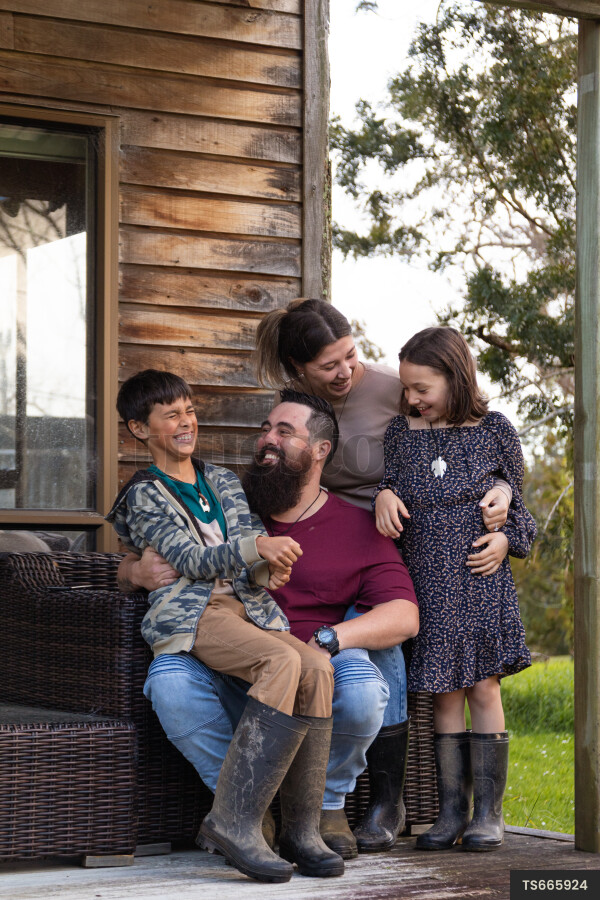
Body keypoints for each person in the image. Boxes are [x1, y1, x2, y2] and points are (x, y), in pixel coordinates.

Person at [252, 297, 512, 851]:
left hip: (395, 548)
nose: (346, 371)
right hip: (331, 546)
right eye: (329, 366)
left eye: (350, 355)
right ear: (302, 371)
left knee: (388, 643)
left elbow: (464, 443)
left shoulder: (397, 389)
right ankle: (346, 803)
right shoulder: (294, 410)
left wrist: (504, 499)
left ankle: (387, 802)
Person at [121, 389, 419, 860]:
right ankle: (245, 809)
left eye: (284, 432)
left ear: (320, 451)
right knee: (169, 683)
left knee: (357, 685)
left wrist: (330, 639)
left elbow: (404, 615)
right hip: (222, 657)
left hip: (307, 653)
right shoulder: (228, 500)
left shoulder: (356, 526)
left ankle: (320, 808)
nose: (267, 440)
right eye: (265, 428)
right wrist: (132, 572)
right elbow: (155, 548)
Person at [106, 369, 342, 884]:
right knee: (280, 659)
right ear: (139, 429)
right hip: (194, 613)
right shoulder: (143, 495)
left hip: (248, 608)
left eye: (189, 410)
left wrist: (267, 567)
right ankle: (234, 821)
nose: (186, 422)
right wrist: (254, 551)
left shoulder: (223, 480)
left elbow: (248, 547)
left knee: (318, 667)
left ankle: (302, 828)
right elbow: (188, 558)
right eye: (171, 415)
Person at [374, 326, 537, 852]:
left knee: (483, 688)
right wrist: (381, 496)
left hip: (479, 580)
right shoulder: (401, 434)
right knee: (443, 696)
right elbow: (390, 486)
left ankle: (489, 813)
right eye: (406, 388)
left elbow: (524, 518)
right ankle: (450, 812)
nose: (412, 399)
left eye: (422, 387)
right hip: (425, 580)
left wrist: (505, 536)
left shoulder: (494, 430)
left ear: (455, 376)